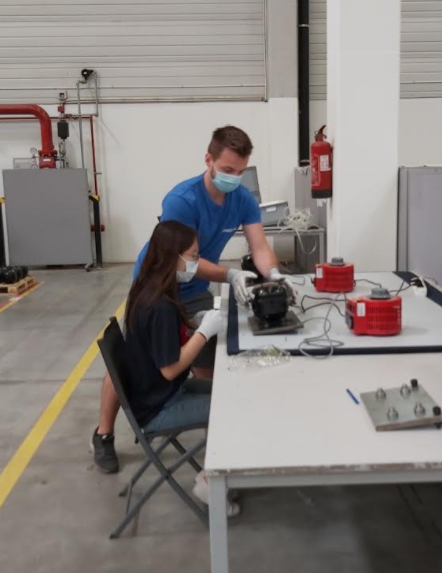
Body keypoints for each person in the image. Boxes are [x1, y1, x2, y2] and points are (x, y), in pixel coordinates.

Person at [92, 125, 294, 473]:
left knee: (204, 359)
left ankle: (211, 439)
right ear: (209, 160)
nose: (234, 177)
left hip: (193, 288)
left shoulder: (242, 199)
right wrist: (230, 274)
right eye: (227, 170)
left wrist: (273, 274)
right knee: (131, 361)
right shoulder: (182, 200)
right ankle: (104, 434)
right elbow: (181, 258)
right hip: (157, 285)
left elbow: (259, 247)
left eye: (240, 171)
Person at [103, 220, 238, 514]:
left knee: (231, 391)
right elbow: (170, 369)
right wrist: (204, 333)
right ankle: (210, 483)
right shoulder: (160, 305)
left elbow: (162, 343)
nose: (195, 263)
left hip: (154, 392)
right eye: (191, 256)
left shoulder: (150, 287)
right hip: (158, 405)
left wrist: (193, 324)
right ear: (171, 256)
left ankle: (219, 471)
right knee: (231, 410)